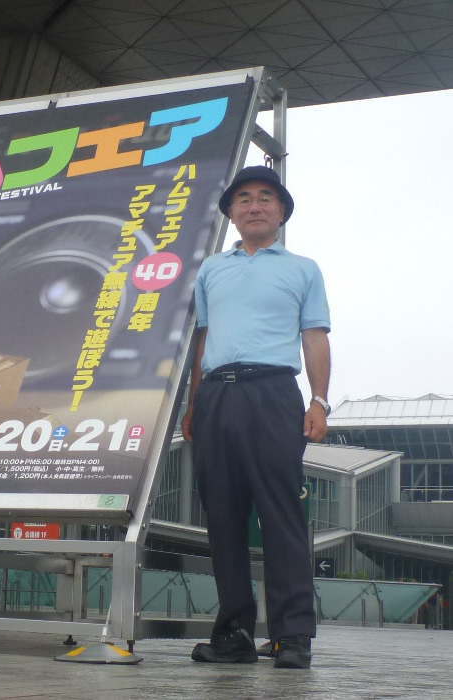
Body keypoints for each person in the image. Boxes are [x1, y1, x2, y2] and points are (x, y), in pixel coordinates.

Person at [182, 165, 330, 670]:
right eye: (243, 198)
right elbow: (203, 339)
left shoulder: (303, 269)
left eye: (266, 197)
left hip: (273, 393)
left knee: (281, 513)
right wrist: (194, 403)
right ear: (231, 212)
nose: (255, 205)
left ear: (282, 211)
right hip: (216, 396)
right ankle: (234, 636)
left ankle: (293, 636)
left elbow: (314, 335)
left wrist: (319, 400)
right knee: (222, 516)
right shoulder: (211, 270)